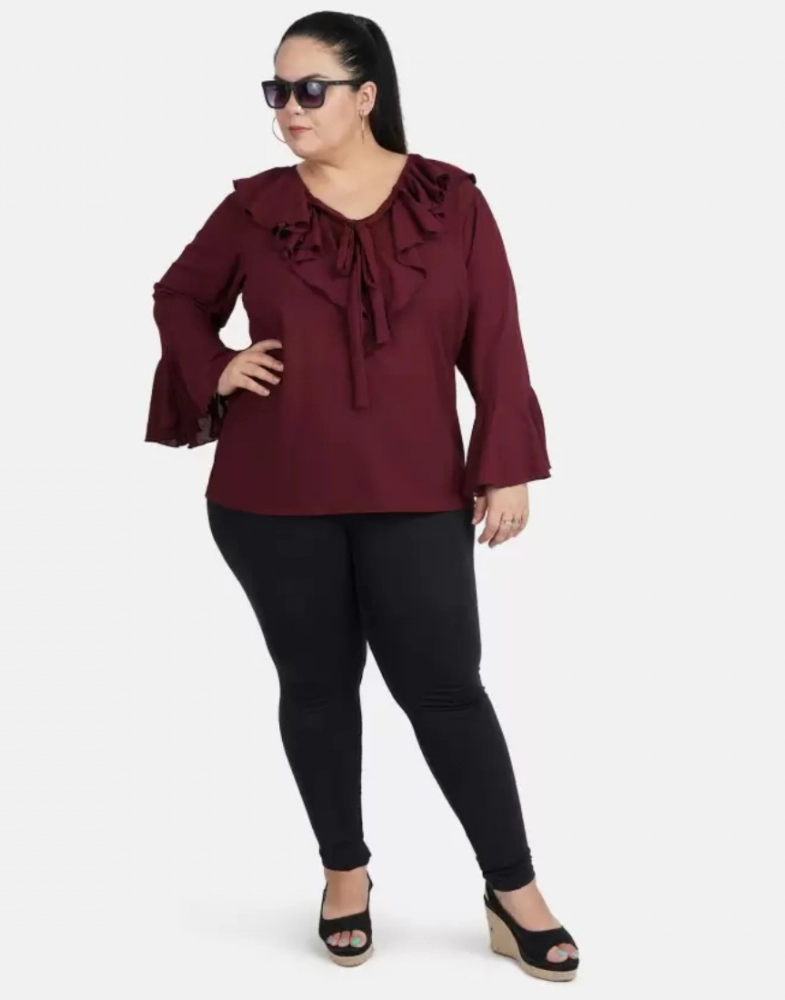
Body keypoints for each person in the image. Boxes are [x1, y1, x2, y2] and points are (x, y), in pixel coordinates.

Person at [143, 10, 580, 981]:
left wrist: (504, 462)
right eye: (276, 91)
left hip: (415, 490)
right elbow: (177, 296)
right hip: (269, 496)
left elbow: (496, 340)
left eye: (309, 90)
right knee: (315, 685)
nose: (288, 109)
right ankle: (344, 873)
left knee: (446, 689)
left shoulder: (451, 200)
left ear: (366, 94)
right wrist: (214, 366)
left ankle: (513, 889)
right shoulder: (254, 208)